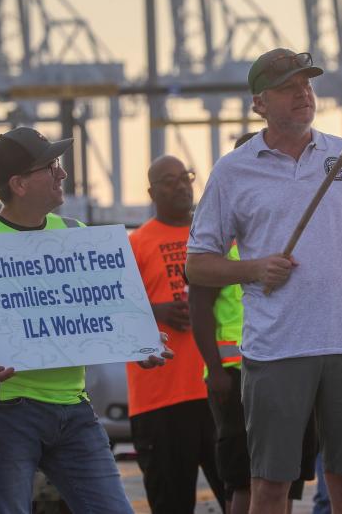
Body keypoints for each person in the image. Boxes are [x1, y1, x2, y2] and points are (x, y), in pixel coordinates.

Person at [186, 49, 342, 514]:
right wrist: (252, 268)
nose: (303, 93)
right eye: (289, 86)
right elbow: (197, 264)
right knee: (270, 486)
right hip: (276, 349)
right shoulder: (233, 171)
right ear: (259, 103)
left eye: (307, 84)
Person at [0, 126, 170, 514]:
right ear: (18, 184)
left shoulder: (76, 236)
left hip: (75, 409)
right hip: (6, 413)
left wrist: (141, 342)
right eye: (50, 166)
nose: (62, 173)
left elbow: (108, 312)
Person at [190, 131, 316, 514]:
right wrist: (215, 370)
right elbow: (199, 303)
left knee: (287, 478)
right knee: (243, 479)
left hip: (290, 362)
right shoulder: (221, 243)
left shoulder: (289, 237)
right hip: (238, 369)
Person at [125, 155, 226, 513]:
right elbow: (110, 312)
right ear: (151, 191)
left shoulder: (214, 237)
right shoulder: (135, 244)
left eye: (185, 177)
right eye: (169, 180)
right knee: (171, 504)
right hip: (159, 400)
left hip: (217, 389)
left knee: (239, 498)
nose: (181, 185)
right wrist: (157, 312)